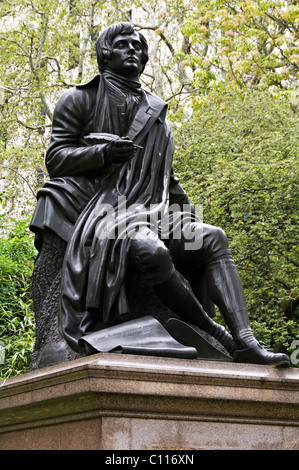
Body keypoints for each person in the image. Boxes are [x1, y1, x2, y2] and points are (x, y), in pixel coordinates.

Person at [30, 22, 290, 367]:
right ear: (105, 53)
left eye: (139, 46)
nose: (133, 50)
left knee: (211, 238)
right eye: (123, 44)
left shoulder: (155, 109)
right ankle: (213, 330)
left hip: (150, 210)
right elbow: (56, 158)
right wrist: (104, 155)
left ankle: (244, 341)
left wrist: (187, 213)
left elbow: (163, 174)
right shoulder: (79, 99)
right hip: (103, 214)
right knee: (149, 250)